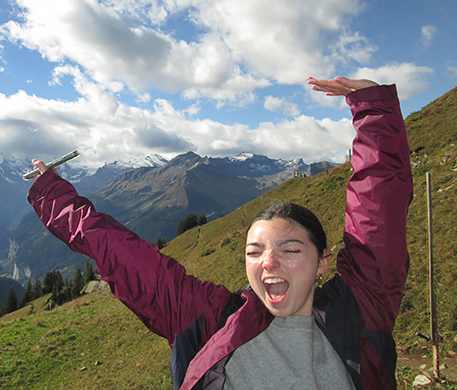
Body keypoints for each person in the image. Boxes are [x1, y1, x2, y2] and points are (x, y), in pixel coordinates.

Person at [27, 77, 413, 389]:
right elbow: (113, 247)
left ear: (322, 262)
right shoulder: (208, 319)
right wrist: (52, 191)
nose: (269, 262)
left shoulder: (359, 311)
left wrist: (374, 111)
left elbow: (379, 212)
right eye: (254, 251)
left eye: (290, 249)